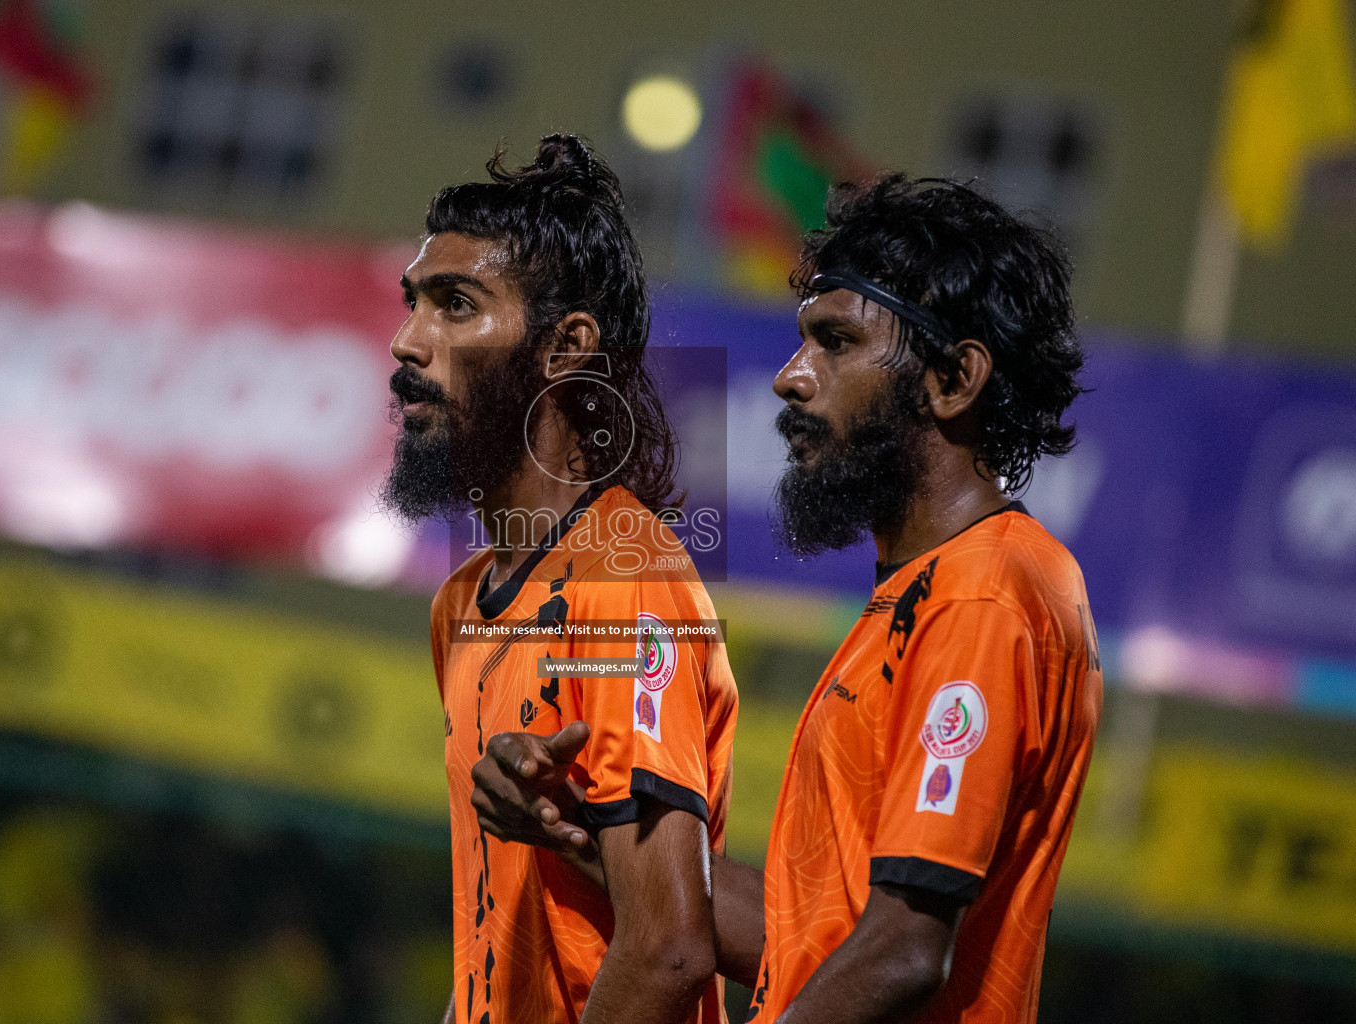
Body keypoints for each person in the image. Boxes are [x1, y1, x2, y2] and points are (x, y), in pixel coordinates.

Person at [469, 175, 1102, 1024]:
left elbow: (906, 953)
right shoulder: (922, 593)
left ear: (954, 380)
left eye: (836, 342)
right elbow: (807, 941)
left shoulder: (986, 592)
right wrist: (574, 829)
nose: (789, 378)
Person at [384, 133, 739, 1024]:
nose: (407, 343)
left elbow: (668, 945)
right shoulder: (459, 606)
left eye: (455, 305)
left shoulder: (624, 582)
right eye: (413, 303)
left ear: (564, 345)